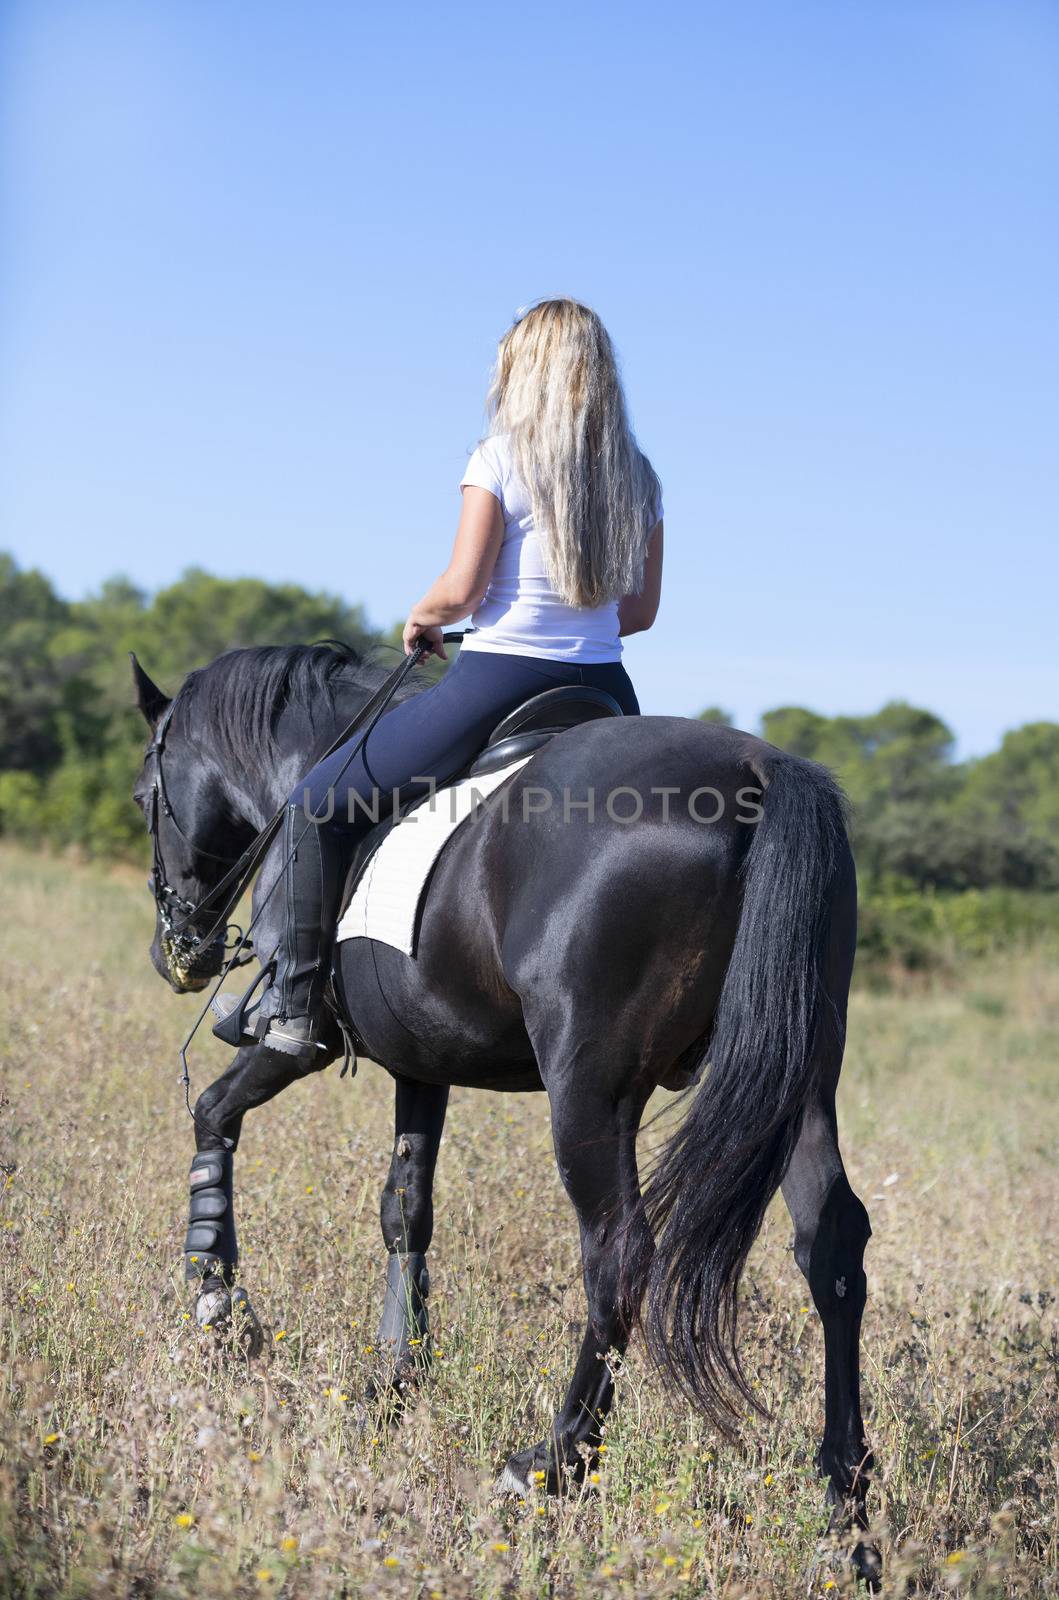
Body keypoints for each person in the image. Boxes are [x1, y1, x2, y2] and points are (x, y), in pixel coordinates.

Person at [217, 297, 664, 1064]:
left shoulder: (497, 457)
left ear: (524, 371)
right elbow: (641, 612)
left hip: (497, 680)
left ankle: (293, 1009)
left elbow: (460, 592)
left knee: (319, 804)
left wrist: (422, 616)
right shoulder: (640, 475)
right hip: (606, 694)